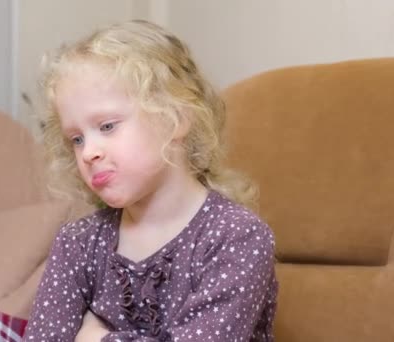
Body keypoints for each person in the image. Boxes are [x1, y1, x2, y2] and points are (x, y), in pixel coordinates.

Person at [24, 20, 278, 342]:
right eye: (76, 139)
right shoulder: (77, 243)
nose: (88, 152)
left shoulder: (237, 238)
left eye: (106, 126)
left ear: (176, 118)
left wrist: (95, 338)